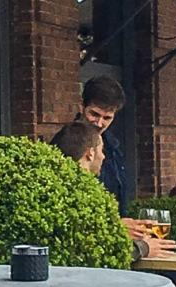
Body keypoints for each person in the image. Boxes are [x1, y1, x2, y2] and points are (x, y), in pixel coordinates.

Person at [53, 72, 130, 211]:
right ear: (81, 107)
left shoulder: (113, 146)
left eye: (107, 118)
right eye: (94, 114)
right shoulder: (65, 143)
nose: (99, 123)